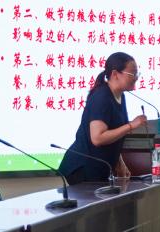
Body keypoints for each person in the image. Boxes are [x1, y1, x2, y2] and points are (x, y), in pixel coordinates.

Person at [60, 52, 147, 185]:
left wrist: (120, 163)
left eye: (137, 74)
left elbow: (115, 135)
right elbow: (97, 138)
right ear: (115, 74)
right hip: (83, 167)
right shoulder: (102, 96)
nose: (136, 78)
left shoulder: (120, 95)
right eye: (132, 74)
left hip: (99, 167)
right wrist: (131, 125)